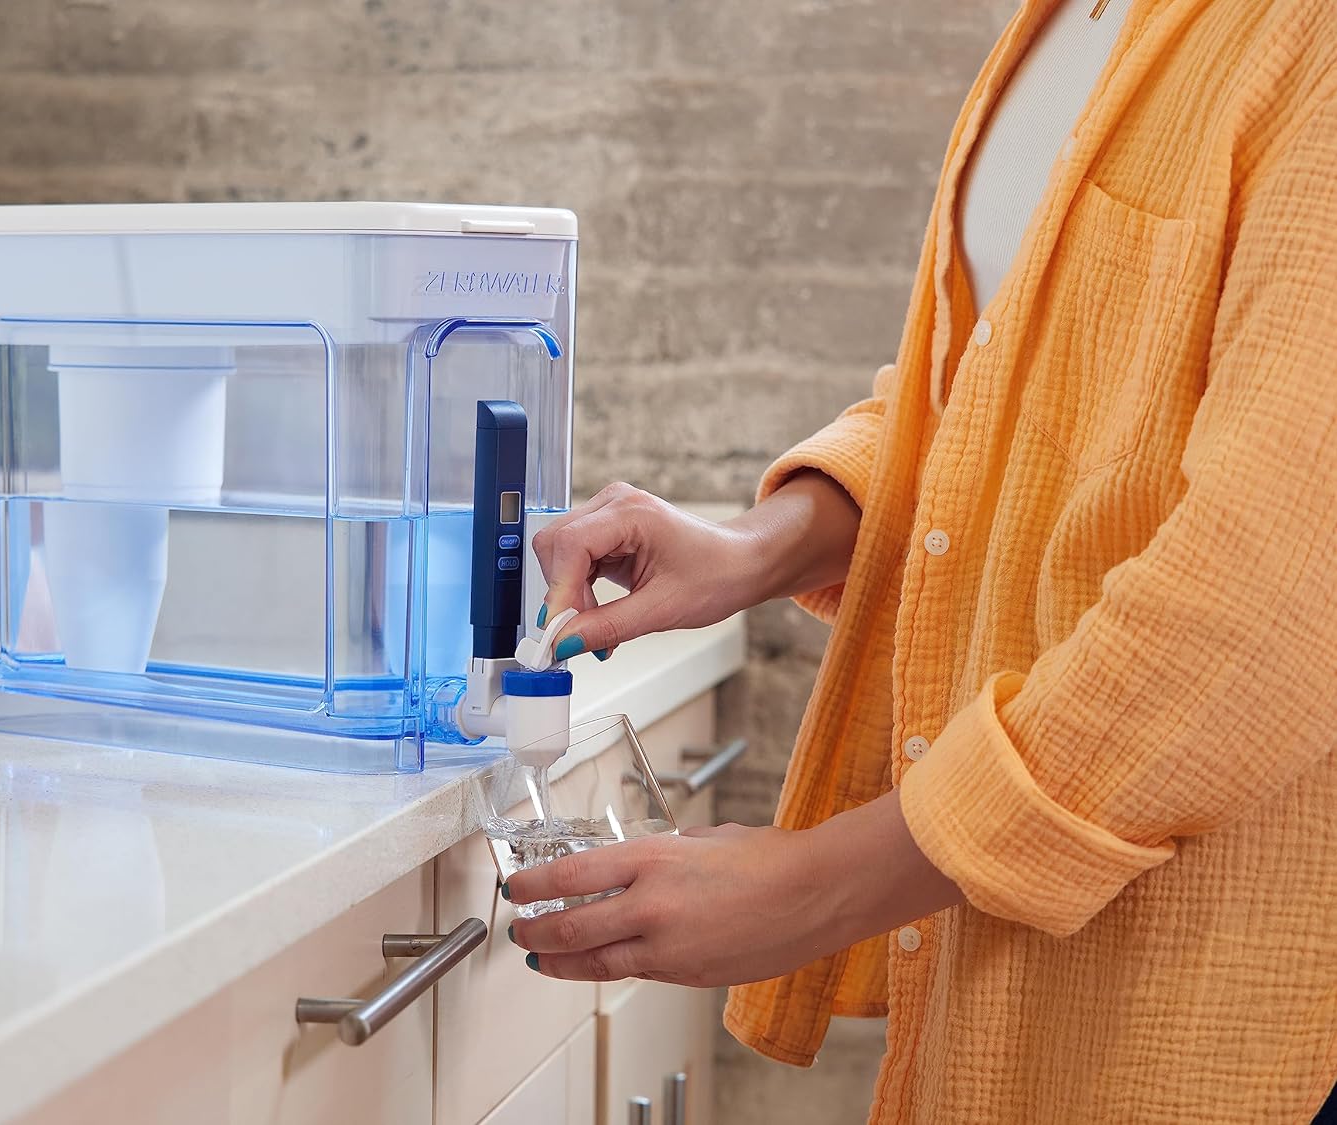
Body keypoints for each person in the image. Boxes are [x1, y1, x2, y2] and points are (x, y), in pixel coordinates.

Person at [501, 0, 1337, 1120]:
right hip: (1007, 980)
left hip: (1222, 1002)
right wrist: (764, 542)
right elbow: (1001, 381)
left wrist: (818, 885)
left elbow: (1262, 609)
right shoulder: (1063, 20)